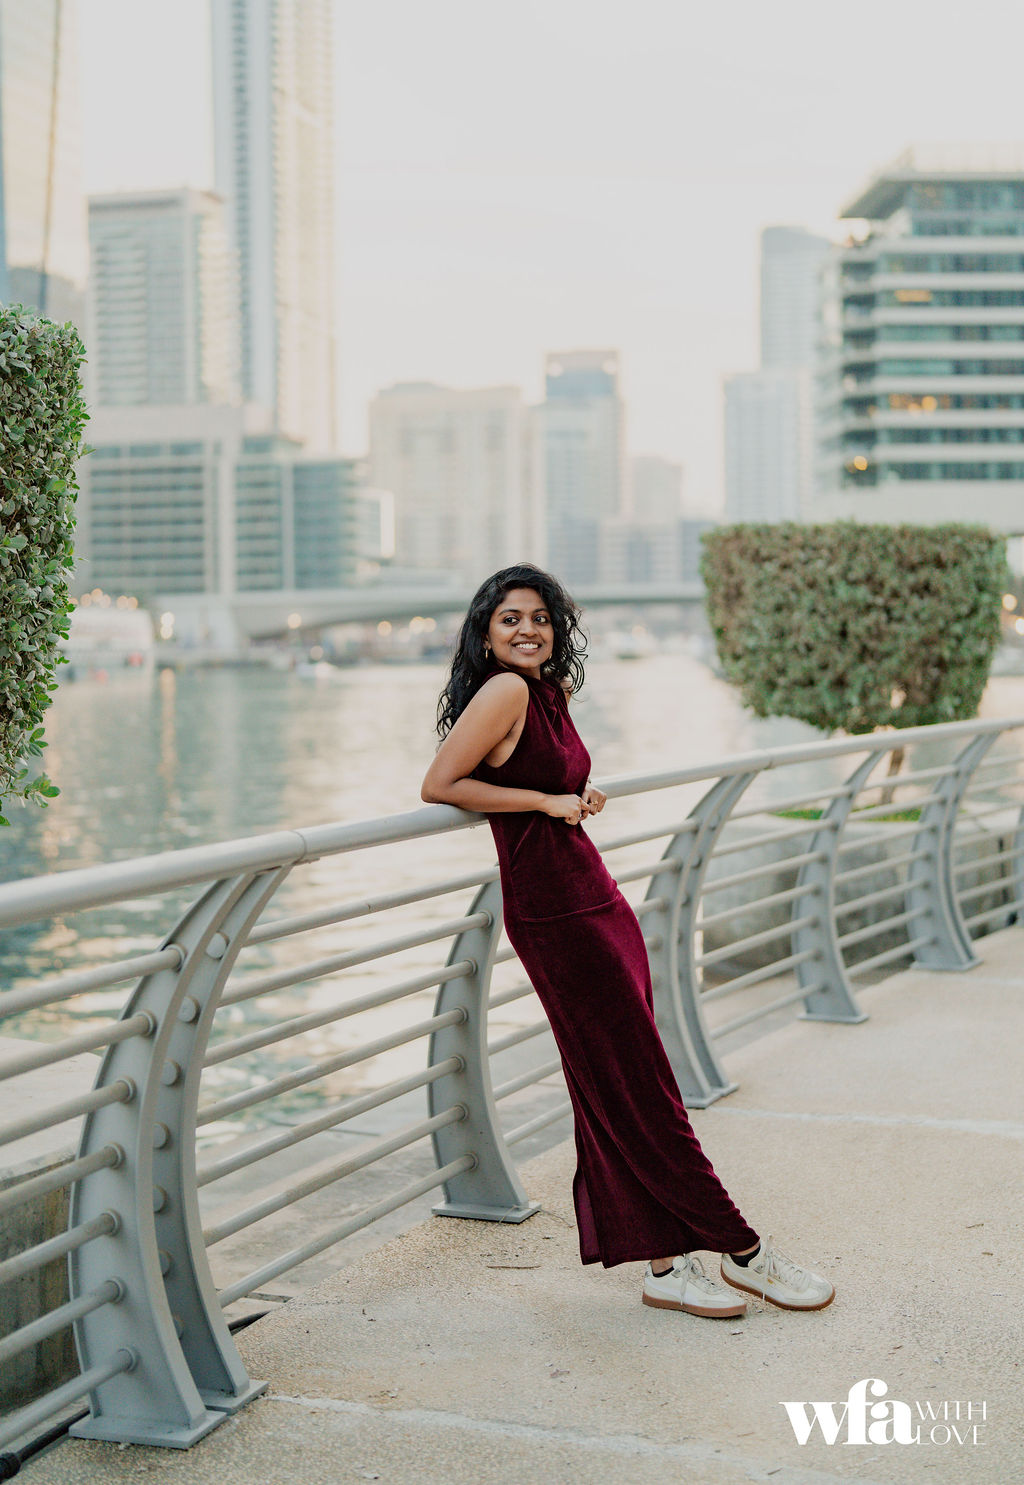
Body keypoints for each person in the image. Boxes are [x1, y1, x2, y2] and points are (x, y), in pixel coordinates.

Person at [421, 563, 834, 1319]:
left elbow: (548, 779)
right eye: (509, 618)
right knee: (641, 1087)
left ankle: (666, 1265)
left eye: (540, 617)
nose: (527, 629)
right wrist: (543, 800)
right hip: (554, 912)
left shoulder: (550, 691)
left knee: (619, 1084)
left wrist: (574, 796)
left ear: (557, 629)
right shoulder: (505, 690)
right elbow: (441, 782)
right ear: (484, 630)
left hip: (595, 895)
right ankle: (744, 1250)